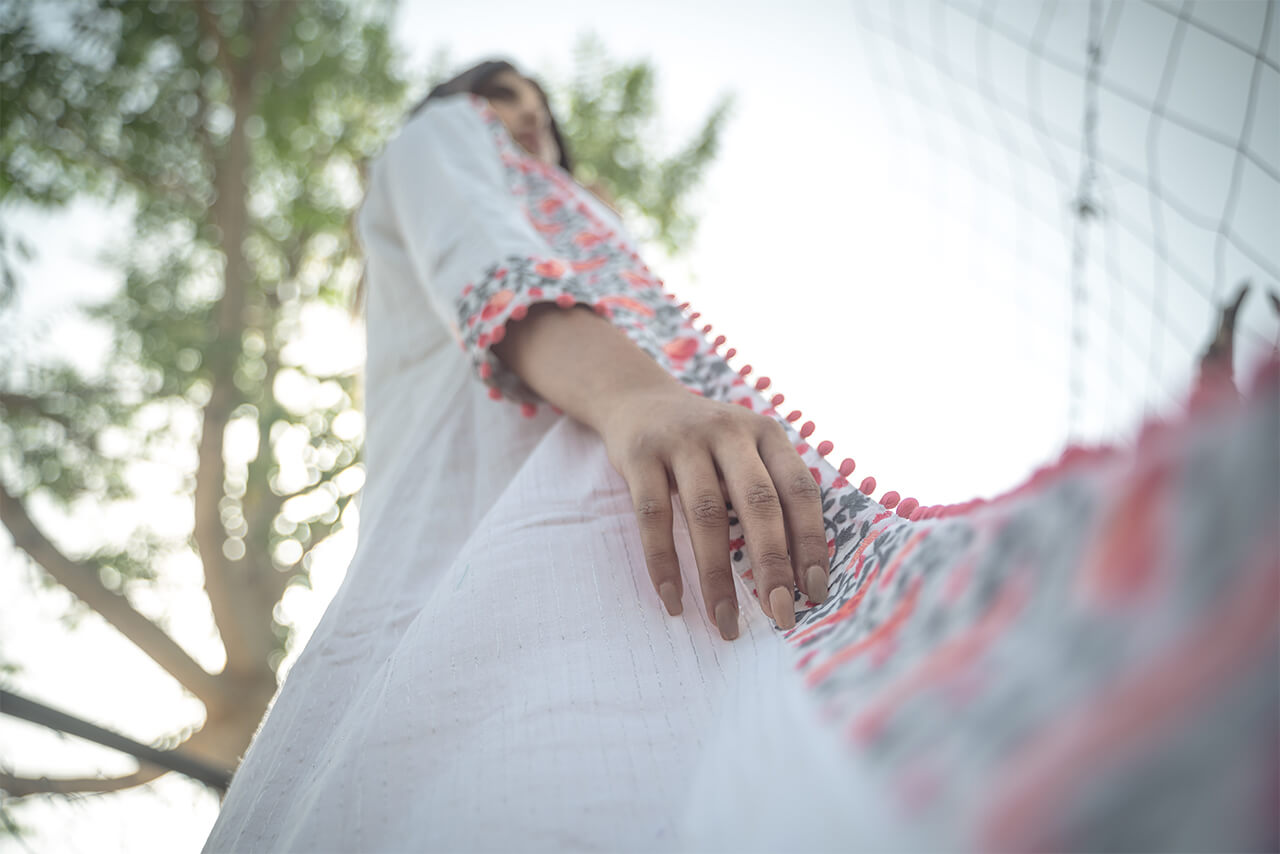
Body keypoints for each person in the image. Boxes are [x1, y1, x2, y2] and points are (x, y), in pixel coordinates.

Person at [203, 58, 1279, 853]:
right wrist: (636, 400)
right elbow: (475, 250)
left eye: (535, 113)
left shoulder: (581, 220)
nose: (521, 121)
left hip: (656, 503)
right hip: (564, 496)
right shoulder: (435, 150)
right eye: (500, 100)